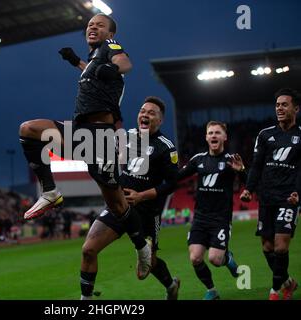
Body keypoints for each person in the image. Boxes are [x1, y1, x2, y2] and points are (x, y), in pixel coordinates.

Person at [18, 13, 151, 280]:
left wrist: (112, 68)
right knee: (29, 130)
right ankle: (50, 191)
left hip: (100, 137)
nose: (92, 27)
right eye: (90, 24)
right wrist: (76, 61)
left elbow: (125, 65)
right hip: (80, 132)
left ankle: (142, 247)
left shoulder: (111, 48)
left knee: (117, 205)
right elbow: (94, 71)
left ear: (110, 33)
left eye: (99, 25)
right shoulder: (93, 59)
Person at [80, 96, 180, 300]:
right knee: (89, 250)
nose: (145, 114)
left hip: (147, 213)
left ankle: (171, 286)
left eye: (151, 113)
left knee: (147, 268)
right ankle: (86, 300)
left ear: (159, 121)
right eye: (142, 111)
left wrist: (142, 196)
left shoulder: (166, 147)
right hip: (119, 206)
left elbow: (172, 184)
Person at [240, 88, 301, 300]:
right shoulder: (265, 135)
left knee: (281, 246)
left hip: (288, 198)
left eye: (284, 104)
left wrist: (298, 193)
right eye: (277, 105)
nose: (280, 108)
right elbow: (256, 166)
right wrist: (248, 188)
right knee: (267, 247)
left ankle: (274, 291)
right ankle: (287, 282)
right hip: (266, 197)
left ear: (296, 108)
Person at [178, 121, 244, 300]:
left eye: (217, 132)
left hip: (220, 219)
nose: (213, 135)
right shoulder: (198, 159)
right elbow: (176, 177)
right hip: (200, 218)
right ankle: (212, 290)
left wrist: (242, 172)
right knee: (195, 258)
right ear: (206, 137)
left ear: (224, 137)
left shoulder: (231, 160)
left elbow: (249, 183)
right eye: (210, 133)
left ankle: (227, 258)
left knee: (215, 259)